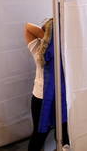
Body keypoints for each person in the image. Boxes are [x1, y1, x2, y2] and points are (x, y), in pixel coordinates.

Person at [25, 19, 69, 151]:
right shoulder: (41, 49)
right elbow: (28, 27)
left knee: (64, 133)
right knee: (40, 135)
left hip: (61, 97)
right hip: (41, 99)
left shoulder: (65, 49)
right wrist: (50, 39)